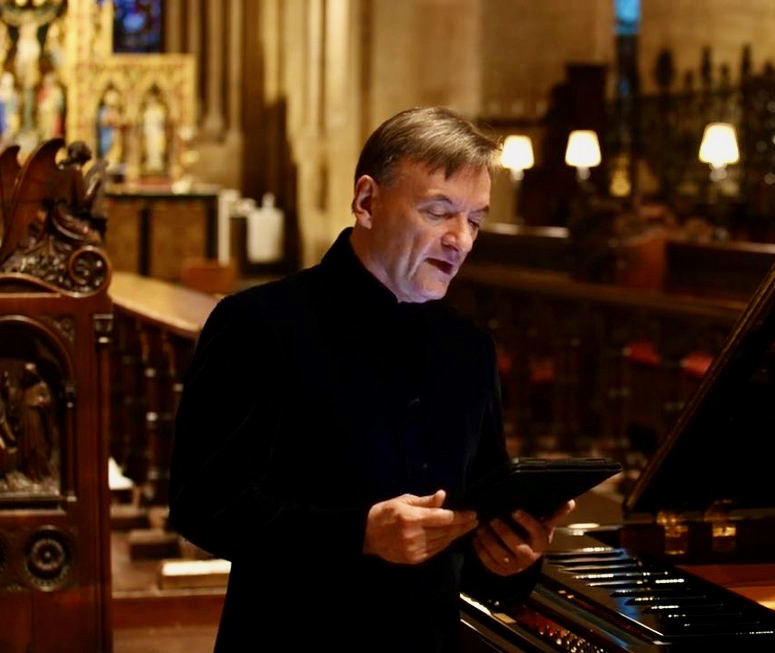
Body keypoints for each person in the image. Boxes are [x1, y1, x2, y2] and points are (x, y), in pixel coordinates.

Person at [168, 106, 574, 652]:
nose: (461, 240)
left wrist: (510, 557)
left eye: (475, 220)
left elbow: (474, 525)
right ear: (366, 201)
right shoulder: (258, 325)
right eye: (439, 212)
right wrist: (358, 534)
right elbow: (202, 505)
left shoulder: (469, 349)